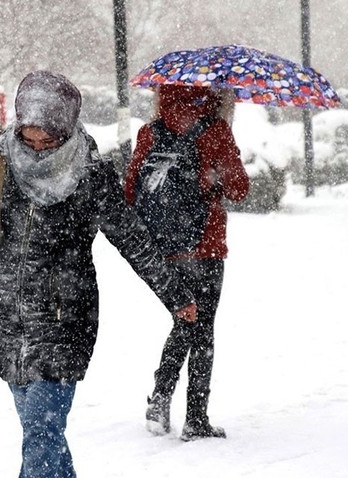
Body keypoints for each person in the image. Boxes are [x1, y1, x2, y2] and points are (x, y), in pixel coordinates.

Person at [0, 70, 197, 477]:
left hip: (63, 320)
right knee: (44, 435)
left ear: (68, 131)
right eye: (29, 139)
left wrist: (175, 295)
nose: (37, 150)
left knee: (41, 434)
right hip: (9, 320)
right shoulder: (2, 158)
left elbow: (132, 239)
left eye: (48, 141)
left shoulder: (89, 173)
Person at [124, 84, 249, 441]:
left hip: (165, 248)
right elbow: (239, 188)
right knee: (201, 329)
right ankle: (195, 416)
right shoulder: (215, 130)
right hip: (204, 245)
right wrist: (216, 175)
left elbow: (131, 189)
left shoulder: (150, 132)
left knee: (184, 318)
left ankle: (161, 396)